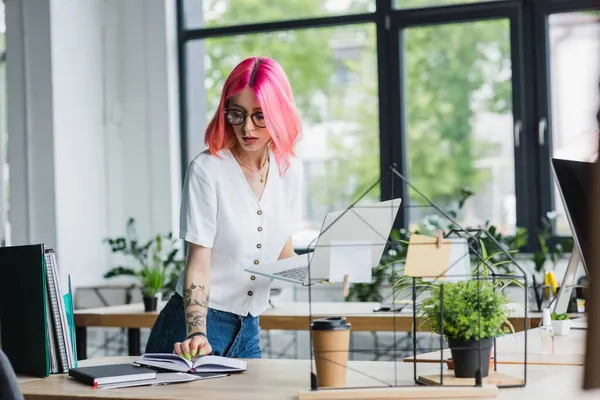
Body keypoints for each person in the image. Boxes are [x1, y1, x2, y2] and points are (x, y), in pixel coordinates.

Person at [145, 56, 304, 360]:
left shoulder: (290, 170)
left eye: (261, 116)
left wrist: (326, 268)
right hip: (194, 329)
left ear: (279, 113)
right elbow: (198, 262)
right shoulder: (207, 170)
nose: (247, 127)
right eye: (237, 114)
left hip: (249, 328)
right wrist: (197, 331)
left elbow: (282, 255)